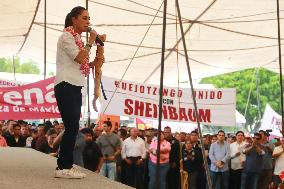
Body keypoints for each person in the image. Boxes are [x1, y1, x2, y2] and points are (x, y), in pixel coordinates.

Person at [54, 6, 98, 179]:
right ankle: (63, 167)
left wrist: (96, 62)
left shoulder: (77, 38)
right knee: (72, 127)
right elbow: (80, 58)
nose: (88, 21)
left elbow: (82, 62)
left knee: (73, 127)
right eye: (85, 18)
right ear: (74, 19)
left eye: (89, 18)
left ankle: (64, 166)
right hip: (66, 84)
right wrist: (91, 41)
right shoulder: (66, 36)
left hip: (74, 85)